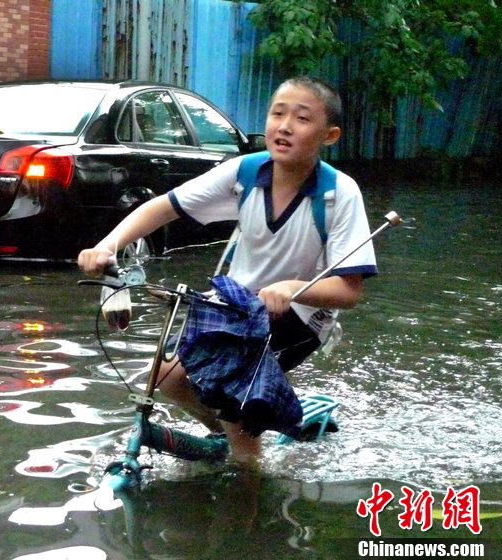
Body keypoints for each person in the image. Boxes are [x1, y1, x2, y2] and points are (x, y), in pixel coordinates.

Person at [77, 76, 377, 464]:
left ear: (329, 135)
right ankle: (237, 431)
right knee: (165, 375)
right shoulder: (245, 174)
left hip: (301, 314)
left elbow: (349, 291)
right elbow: (163, 207)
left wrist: (292, 289)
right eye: (277, 114)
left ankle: (248, 483)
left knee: (236, 410)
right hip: (234, 305)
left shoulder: (339, 193)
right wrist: (107, 245)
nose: (284, 126)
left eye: (302, 119)